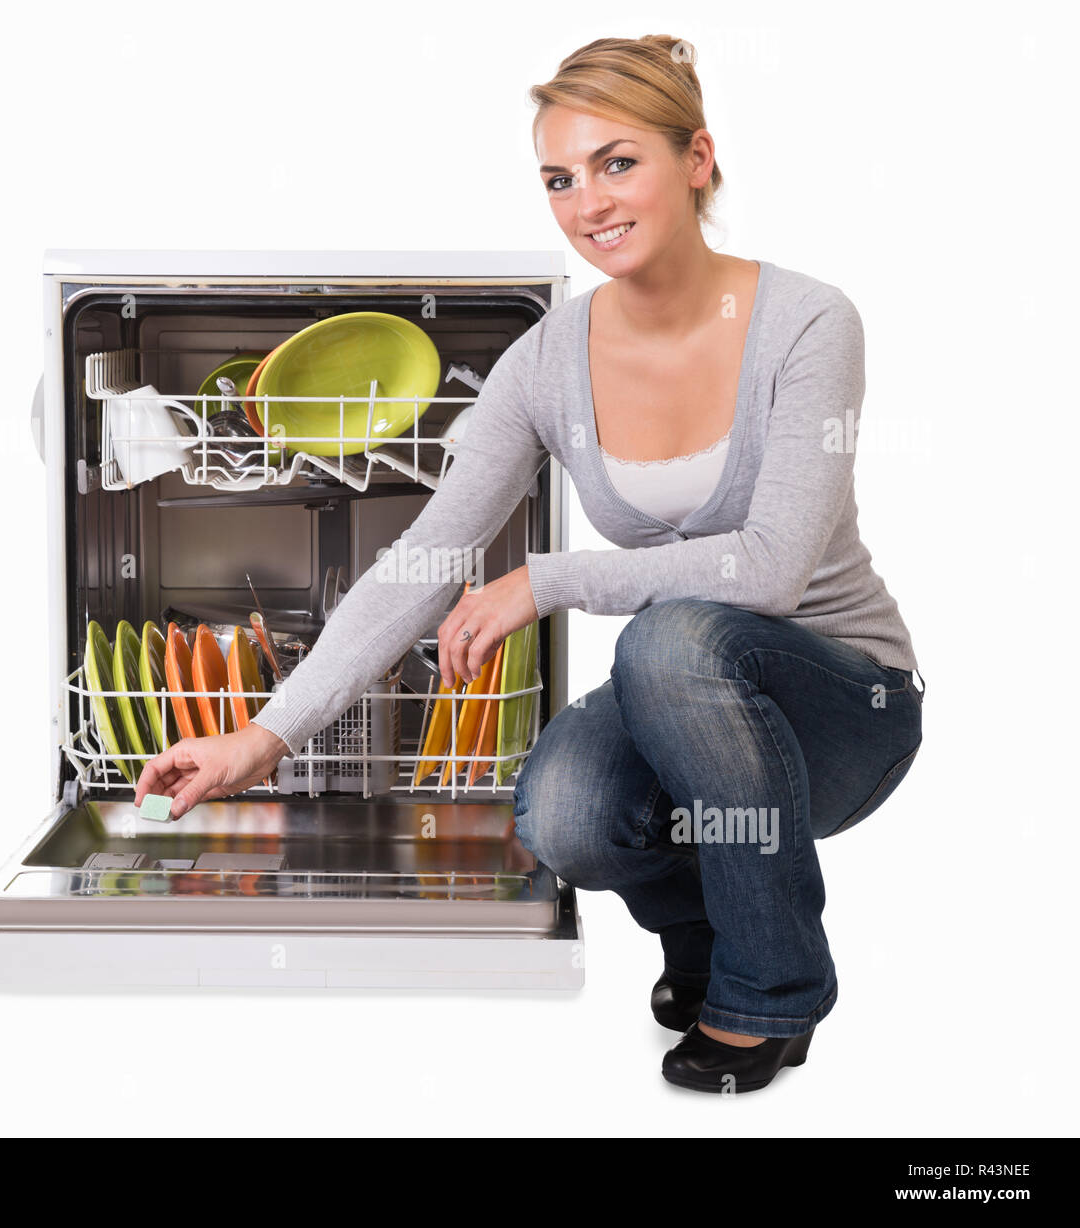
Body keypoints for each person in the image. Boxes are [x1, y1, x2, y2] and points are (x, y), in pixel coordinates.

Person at [135, 33, 924, 1094]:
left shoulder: (805, 322)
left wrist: (548, 578)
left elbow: (770, 571)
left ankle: (772, 990)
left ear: (696, 159)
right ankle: (703, 946)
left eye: (617, 162)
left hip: (843, 701)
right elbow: (427, 557)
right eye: (558, 178)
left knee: (674, 635)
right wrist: (264, 735)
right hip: (695, 704)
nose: (588, 201)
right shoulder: (548, 360)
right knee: (563, 814)